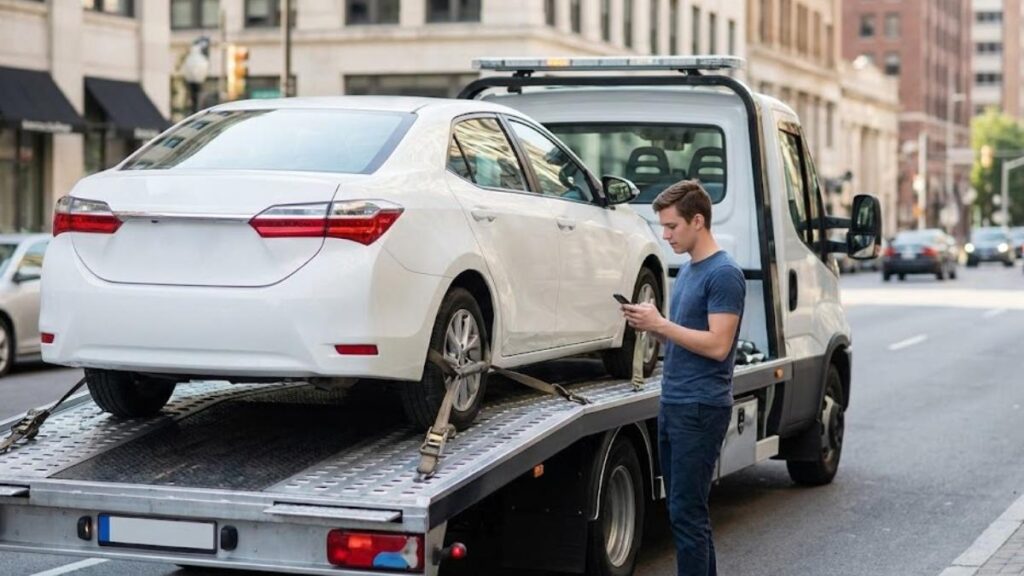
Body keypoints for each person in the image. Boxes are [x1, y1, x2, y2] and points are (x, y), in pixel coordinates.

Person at [621, 179, 745, 576]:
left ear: (698, 220)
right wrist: (652, 326)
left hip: (700, 407)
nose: (666, 234)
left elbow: (718, 345)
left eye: (672, 226)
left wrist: (663, 324)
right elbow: (688, 335)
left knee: (687, 515)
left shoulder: (724, 273)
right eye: (663, 227)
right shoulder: (691, 269)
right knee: (684, 512)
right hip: (675, 401)